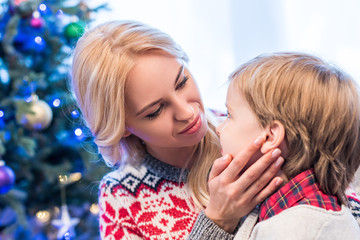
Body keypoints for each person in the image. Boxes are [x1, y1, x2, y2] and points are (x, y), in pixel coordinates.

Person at [70, 20, 285, 239]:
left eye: (182, 82)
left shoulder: (249, 128)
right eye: (155, 110)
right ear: (121, 127)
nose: (188, 113)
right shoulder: (120, 198)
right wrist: (218, 220)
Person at [214, 52, 360, 239]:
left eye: (229, 114)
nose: (219, 128)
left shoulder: (295, 230)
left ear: (270, 136)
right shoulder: (290, 209)